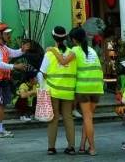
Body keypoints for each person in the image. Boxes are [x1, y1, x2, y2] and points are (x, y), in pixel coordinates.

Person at [49, 27, 103, 155]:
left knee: (87, 118)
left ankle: (92, 148)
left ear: (73, 39)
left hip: (84, 87)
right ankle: (82, 146)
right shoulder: (92, 50)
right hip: (97, 87)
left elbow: (63, 61)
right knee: (88, 118)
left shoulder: (75, 50)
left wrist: (52, 50)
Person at [39, 26, 76, 155]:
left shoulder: (49, 53)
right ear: (65, 38)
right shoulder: (72, 53)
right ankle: (71, 147)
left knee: (53, 119)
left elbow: (42, 73)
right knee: (68, 118)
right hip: (68, 91)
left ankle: (51, 148)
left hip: (53, 90)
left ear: (53, 37)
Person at [0, 22, 31, 138]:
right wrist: (15, 66)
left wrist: (22, 50)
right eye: (6, 34)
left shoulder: (3, 47)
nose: (9, 36)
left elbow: (13, 53)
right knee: (0, 104)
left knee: (2, 104)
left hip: (3, 80)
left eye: (9, 33)